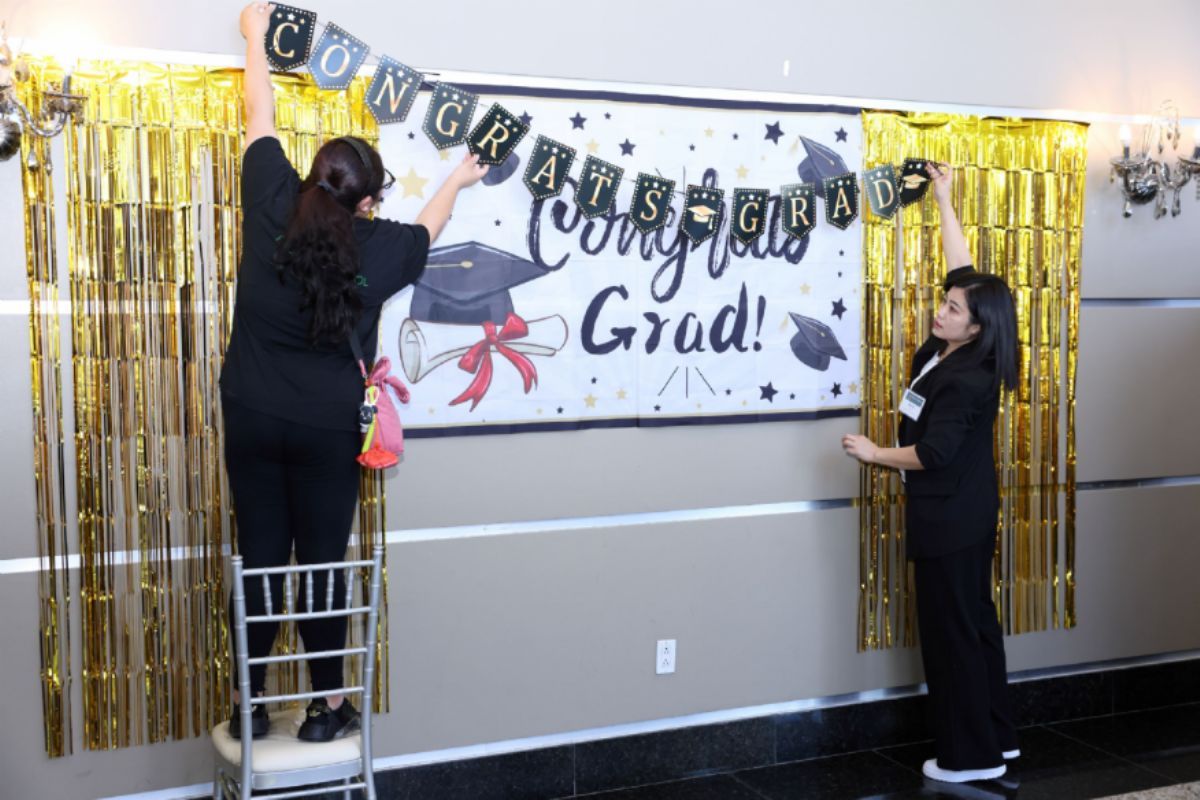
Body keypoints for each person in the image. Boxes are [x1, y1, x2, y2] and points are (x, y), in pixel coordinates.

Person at [220, 2, 488, 741]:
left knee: (261, 559)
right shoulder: (378, 248)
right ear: (366, 202)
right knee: (320, 564)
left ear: (315, 175)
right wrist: (458, 178)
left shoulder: (270, 199)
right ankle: (325, 708)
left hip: (250, 415)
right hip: (325, 429)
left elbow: (259, 113)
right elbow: (428, 228)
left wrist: (254, 36)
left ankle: (249, 705)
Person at [841, 163, 1021, 783]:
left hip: (951, 520)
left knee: (951, 635)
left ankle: (969, 758)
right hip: (964, 514)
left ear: (977, 325)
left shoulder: (968, 377)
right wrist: (944, 200)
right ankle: (997, 738)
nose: (939, 310)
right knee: (975, 625)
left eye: (950, 307)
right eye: (945, 302)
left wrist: (875, 454)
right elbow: (962, 266)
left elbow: (933, 454)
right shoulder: (964, 346)